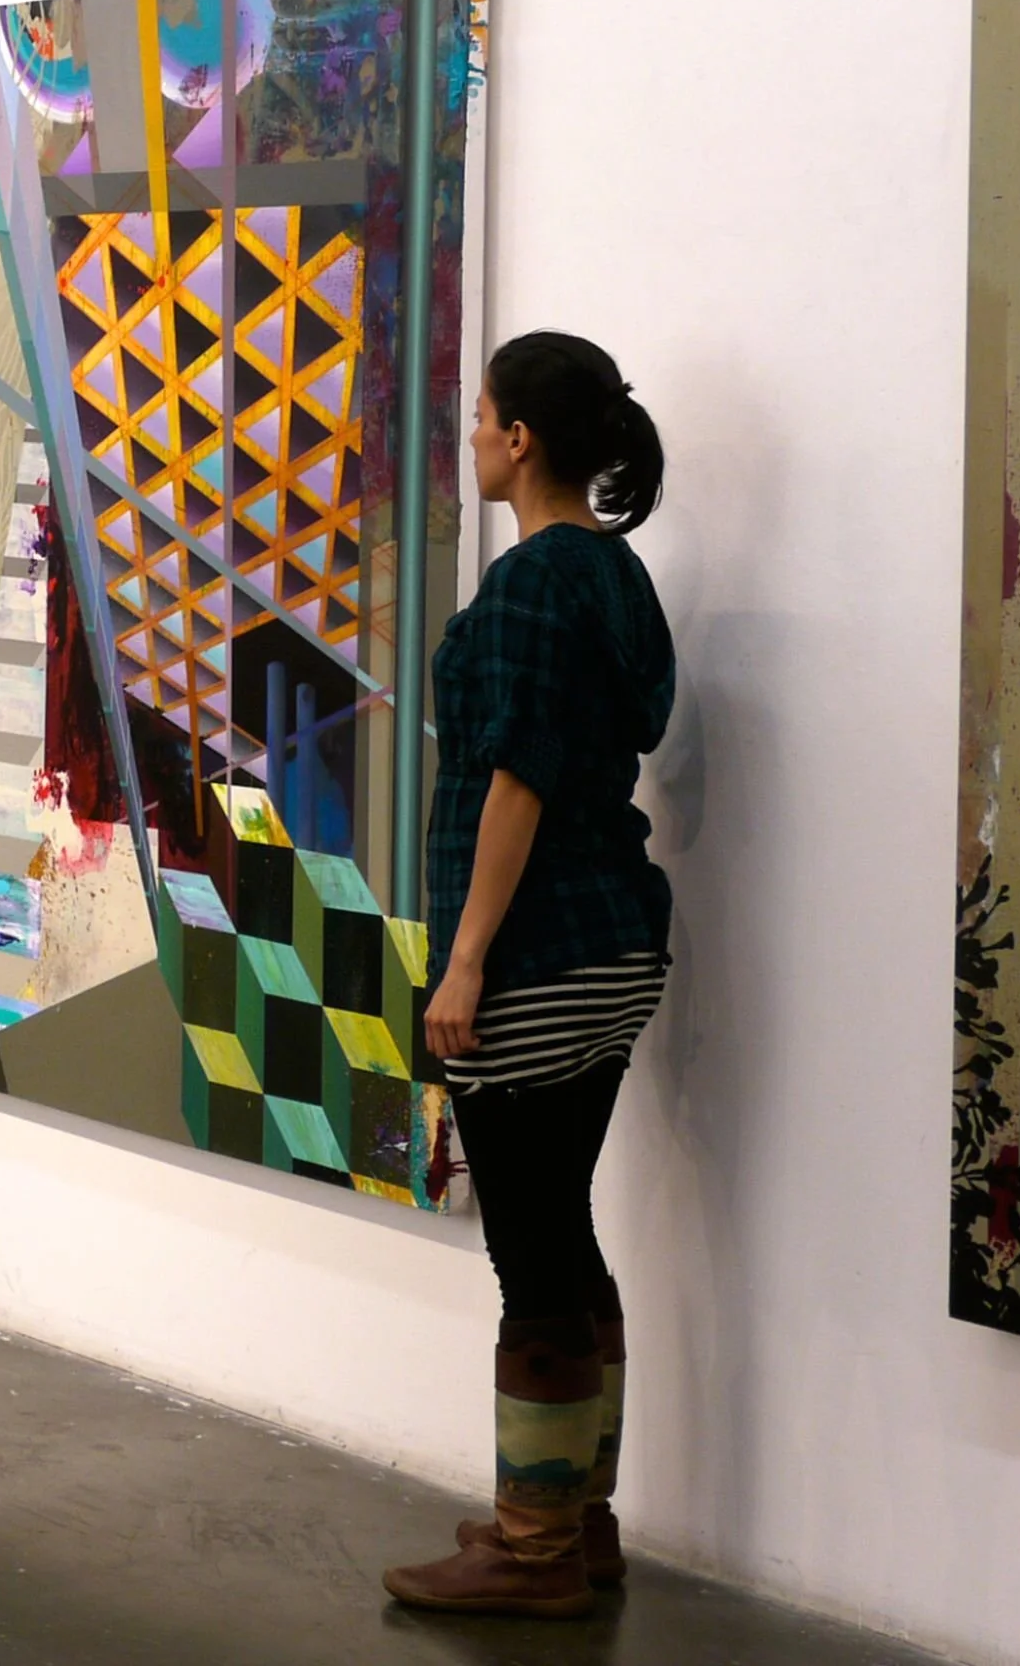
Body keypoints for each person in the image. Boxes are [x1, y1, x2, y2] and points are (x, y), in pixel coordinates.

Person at [383, 331, 675, 1619]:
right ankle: (575, 1518)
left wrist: (463, 965)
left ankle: (533, 1552)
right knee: (565, 1234)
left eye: (481, 417)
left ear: (520, 440)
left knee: (532, 1260)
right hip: (614, 944)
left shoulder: (527, 586)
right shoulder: (616, 575)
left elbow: (518, 779)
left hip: (536, 956)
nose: (470, 438)